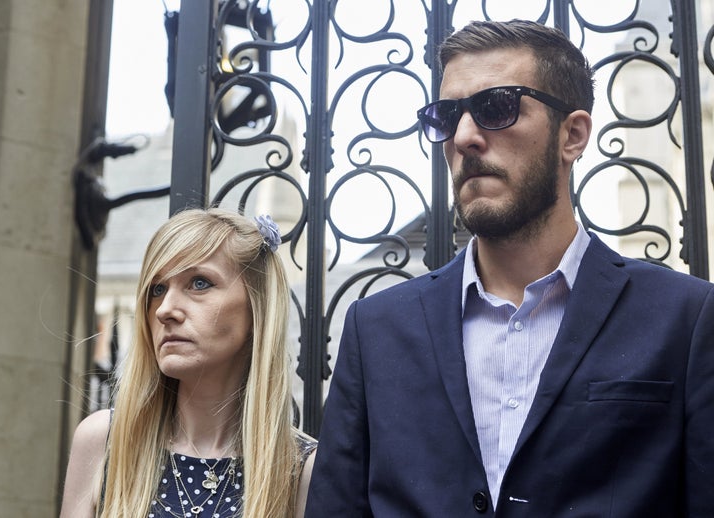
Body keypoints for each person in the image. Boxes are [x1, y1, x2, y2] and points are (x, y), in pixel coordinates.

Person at [304, 19, 714, 517]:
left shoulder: (685, 318)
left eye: (497, 107)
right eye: (447, 116)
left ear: (573, 135)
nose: (465, 138)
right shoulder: (377, 330)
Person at [60, 208, 316, 518]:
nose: (164, 309)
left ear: (256, 307)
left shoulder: (300, 470)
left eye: (199, 283)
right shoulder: (105, 440)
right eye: (158, 289)